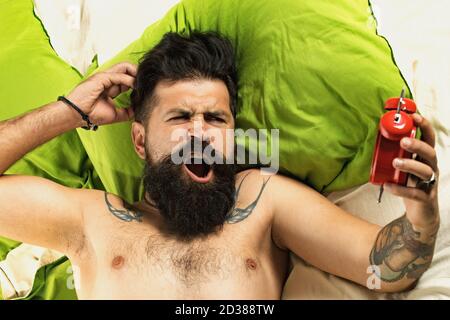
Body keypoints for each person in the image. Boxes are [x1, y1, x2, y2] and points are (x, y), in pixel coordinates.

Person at [0, 32, 440, 299]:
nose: (200, 134)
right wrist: (68, 111)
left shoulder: (262, 200)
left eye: (215, 118)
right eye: (178, 118)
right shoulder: (91, 219)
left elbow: (383, 267)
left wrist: (422, 217)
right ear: (139, 140)